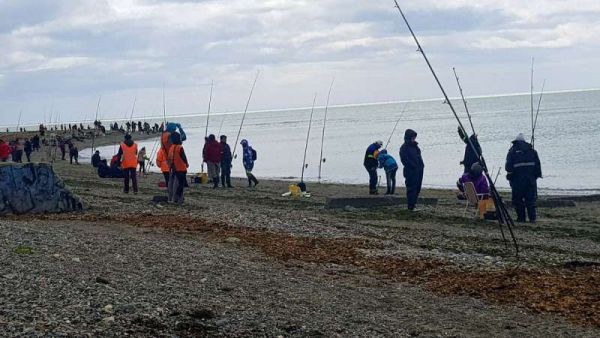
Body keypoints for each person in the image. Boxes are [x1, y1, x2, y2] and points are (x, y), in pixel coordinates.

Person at [505, 133, 542, 223]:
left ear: (515, 142)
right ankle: (532, 218)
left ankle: (521, 218)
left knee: (517, 200)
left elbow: (508, 167)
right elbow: (538, 166)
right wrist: (535, 177)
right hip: (530, 180)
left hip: (517, 181)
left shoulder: (512, 152)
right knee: (530, 200)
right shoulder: (533, 151)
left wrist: (510, 177)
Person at [400, 129, 425, 211]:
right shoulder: (404, 148)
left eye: (414, 138)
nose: (414, 139)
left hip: (419, 170)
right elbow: (404, 160)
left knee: (417, 188)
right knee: (411, 189)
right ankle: (410, 206)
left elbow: (419, 157)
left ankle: (413, 205)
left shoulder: (415, 147)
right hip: (410, 171)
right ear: (408, 137)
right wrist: (413, 166)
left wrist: (421, 166)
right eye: (412, 137)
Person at [167, 132, 189, 204]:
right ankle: (179, 198)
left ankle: (174, 198)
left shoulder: (171, 147)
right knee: (180, 185)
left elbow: (170, 159)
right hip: (181, 168)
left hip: (174, 168)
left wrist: (170, 167)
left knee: (175, 183)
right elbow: (184, 157)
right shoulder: (180, 147)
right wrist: (186, 164)